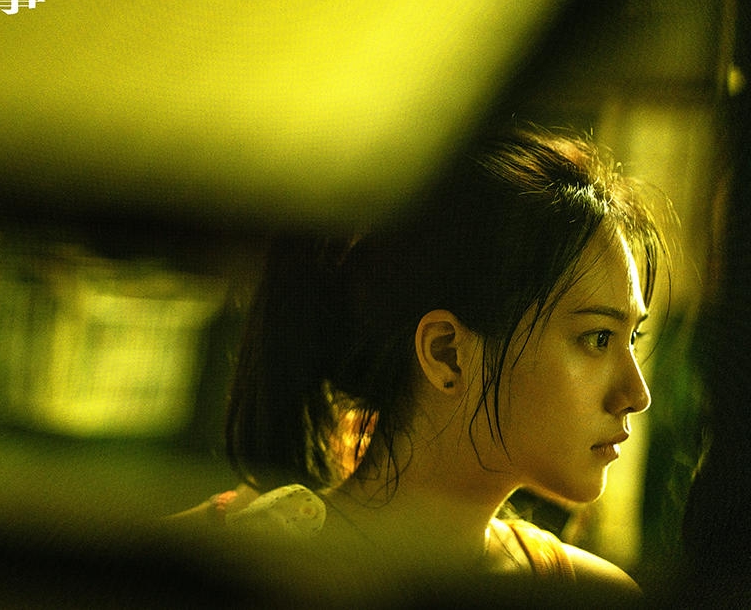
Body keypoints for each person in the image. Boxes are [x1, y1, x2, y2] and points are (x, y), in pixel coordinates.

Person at [171, 125, 671, 605]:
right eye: (598, 338)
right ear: (446, 353)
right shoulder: (220, 567)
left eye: (633, 337)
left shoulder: (588, 595)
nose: (636, 394)